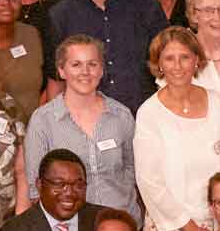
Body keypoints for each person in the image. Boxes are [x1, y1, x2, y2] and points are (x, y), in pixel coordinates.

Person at [129, 27, 220, 231]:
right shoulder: (149, 113)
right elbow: (149, 181)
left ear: (197, 60)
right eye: (169, 58)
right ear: (159, 64)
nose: (178, 66)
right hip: (172, 230)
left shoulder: (219, 104)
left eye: (185, 57)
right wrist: (193, 230)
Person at [52, 0, 164, 115]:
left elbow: (167, 69)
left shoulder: (147, 7)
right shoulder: (60, 15)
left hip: (145, 119)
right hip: (86, 122)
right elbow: (56, 82)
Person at [22, 34, 137, 216]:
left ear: (101, 70)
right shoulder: (42, 121)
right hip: (70, 227)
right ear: (61, 71)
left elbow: (133, 169)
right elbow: (36, 187)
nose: (85, 71)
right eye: (76, 64)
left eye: (92, 64)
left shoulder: (121, 116)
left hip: (121, 223)